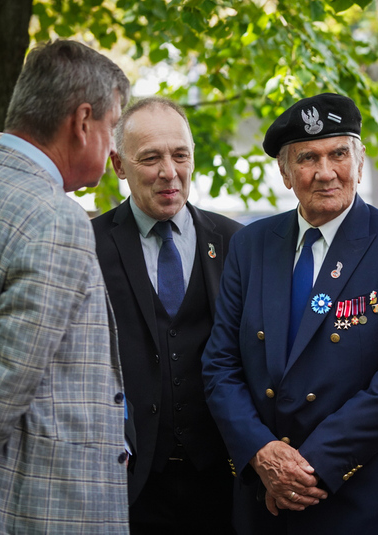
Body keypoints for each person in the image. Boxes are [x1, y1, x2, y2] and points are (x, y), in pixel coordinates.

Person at [202, 93, 378, 535]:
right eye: (308, 157)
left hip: (367, 499)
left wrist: (307, 469)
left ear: (360, 162)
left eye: (339, 154)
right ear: (286, 172)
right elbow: (220, 365)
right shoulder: (251, 245)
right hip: (266, 500)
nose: (326, 172)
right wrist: (262, 453)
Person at [0, 40, 131, 534]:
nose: (113, 146)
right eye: (112, 126)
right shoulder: (55, 218)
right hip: (30, 510)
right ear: (83, 122)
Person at [92, 96, 242, 534]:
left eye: (180, 155)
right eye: (151, 158)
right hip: (127, 485)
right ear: (119, 165)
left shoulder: (237, 243)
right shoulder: (87, 244)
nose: (169, 172)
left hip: (221, 481)